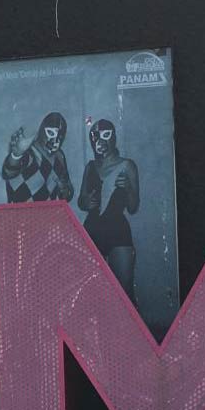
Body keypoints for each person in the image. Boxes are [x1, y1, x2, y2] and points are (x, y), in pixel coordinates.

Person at [77, 118, 141, 300]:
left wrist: (128, 188)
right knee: (91, 292)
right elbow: (82, 200)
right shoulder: (90, 167)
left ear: (114, 138)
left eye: (106, 136)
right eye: (95, 137)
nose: (101, 141)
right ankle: (98, 329)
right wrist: (85, 202)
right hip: (92, 230)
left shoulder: (127, 165)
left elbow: (134, 207)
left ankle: (130, 329)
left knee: (125, 291)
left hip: (117, 230)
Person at [2, 112, 73, 203]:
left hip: (49, 214)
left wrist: (65, 190)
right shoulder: (29, 151)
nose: (54, 140)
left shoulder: (60, 156)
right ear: (42, 130)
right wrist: (16, 155)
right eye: (51, 133)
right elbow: (8, 172)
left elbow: (67, 194)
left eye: (59, 136)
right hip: (20, 214)